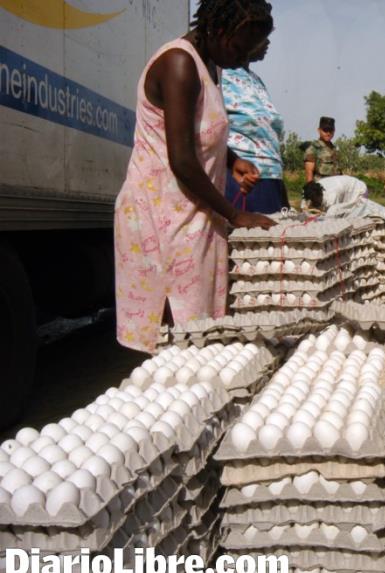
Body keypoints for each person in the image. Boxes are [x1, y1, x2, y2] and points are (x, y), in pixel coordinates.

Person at [114, 0, 276, 353]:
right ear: (219, 29)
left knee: (197, 335)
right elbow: (183, 160)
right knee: (172, 339)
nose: (244, 59)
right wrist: (235, 215)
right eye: (240, 48)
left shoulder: (210, 66)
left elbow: (196, 132)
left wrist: (232, 160)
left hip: (193, 214)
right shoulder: (179, 64)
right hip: (162, 221)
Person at [221, 37, 289, 213]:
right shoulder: (220, 75)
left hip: (271, 177)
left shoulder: (255, 80)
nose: (267, 42)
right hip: (244, 181)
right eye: (261, 35)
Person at [303, 176, 385, 230]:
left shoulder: (332, 195)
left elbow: (333, 214)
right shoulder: (311, 190)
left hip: (358, 191)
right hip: (345, 191)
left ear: (320, 195)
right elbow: (306, 207)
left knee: (361, 214)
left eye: (316, 200)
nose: (315, 202)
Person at [304, 116, 341, 182]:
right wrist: (310, 189)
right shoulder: (313, 148)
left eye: (330, 130)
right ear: (319, 130)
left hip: (335, 188)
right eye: (325, 130)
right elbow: (309, 172)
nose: (328, 133)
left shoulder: (335, 149)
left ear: (334, 131)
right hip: (320, 188)